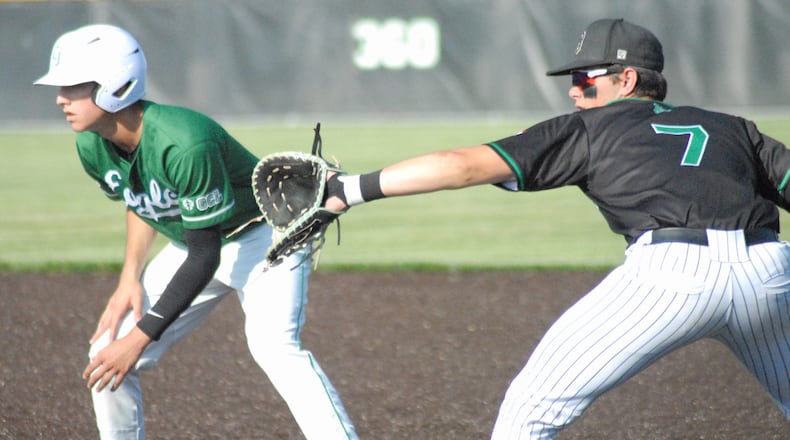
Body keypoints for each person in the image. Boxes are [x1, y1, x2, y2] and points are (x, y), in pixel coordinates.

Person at [324, 18, 790, 439]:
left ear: (626, 79)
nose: (574, 90)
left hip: (672, 275)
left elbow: (459, 165)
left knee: (530, 410)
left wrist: (351, 188)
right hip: (770, 272)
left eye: (585, 78)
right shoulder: (734, 128)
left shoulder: (591, 128)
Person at [34, 24, 358, 440]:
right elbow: (139, 200)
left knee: (275, 350)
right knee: (104, 355)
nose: (61, 98)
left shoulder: (185, 142)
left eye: (74, 86)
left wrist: (140, 338)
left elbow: (205, 258)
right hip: (194, 244)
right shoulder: (91, 144)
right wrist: (128, 278)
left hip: (264, 240)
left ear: (114, 85)